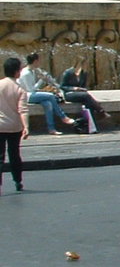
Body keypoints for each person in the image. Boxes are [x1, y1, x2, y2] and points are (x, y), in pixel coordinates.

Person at [17, 52, 76, 135]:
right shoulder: (26, 73)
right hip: (26, 96)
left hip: (31, 94)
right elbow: (31, 90)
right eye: (38, 60)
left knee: (48, 104)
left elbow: (33, 88)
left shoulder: (32, 71)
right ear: (35, 61)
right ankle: (63, 117)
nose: (40, 62)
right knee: (51, 96)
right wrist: (42, 80)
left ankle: (51, 129)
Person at [0, 56, 30, 193]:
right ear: (17, 72)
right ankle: (18, 181)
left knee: (0, 157)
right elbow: (22, 110)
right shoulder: (20, 90)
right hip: (14, 127)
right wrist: (26, 127)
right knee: (14, 154)